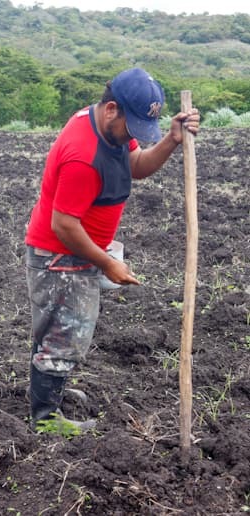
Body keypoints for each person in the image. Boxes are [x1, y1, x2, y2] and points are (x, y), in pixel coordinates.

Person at [24, 67, 200, 431]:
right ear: (111, 110)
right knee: (66, 335)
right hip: (61, 256)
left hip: (77, 251)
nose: (132, 138)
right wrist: (107, 264)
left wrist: (170, 140)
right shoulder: (82, 155)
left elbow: (135, 166)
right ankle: (45, 420)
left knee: (56, 330)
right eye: (130, 129)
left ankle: (47, 397)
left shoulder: (109, 130)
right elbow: (64, 225)